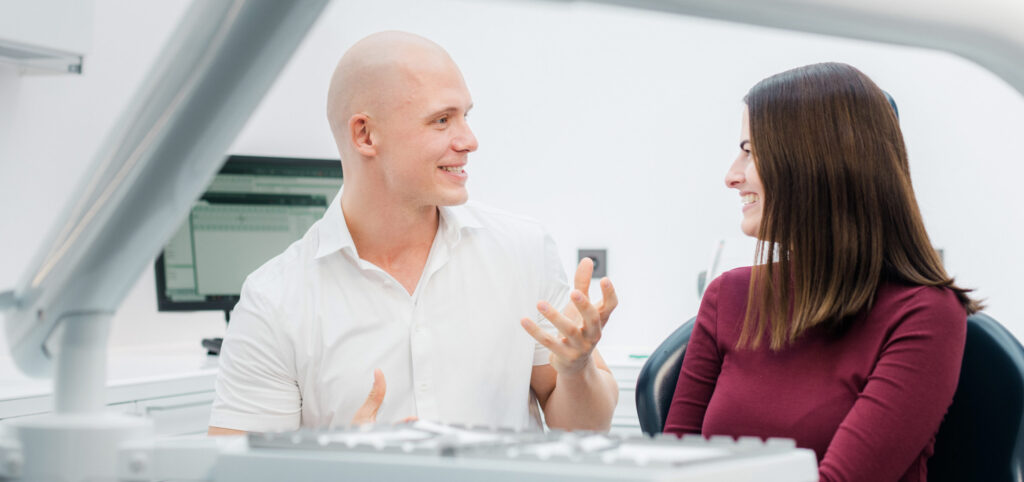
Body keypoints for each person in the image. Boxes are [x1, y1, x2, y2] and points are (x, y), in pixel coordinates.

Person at [207, 31, 619, 435]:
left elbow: (587, 426)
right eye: (442, 120)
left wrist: (577, 372)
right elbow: (232, 472)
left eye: (465, 116)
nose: (470, 141)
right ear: (365, 135)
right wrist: (339, 468)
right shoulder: (274, 302)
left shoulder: (523, 251)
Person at [663, 62, 980, 482]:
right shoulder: (729, 297)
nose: (732, 176)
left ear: (817, 164)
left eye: (751, 151)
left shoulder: (925, 314)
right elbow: (670, 468)